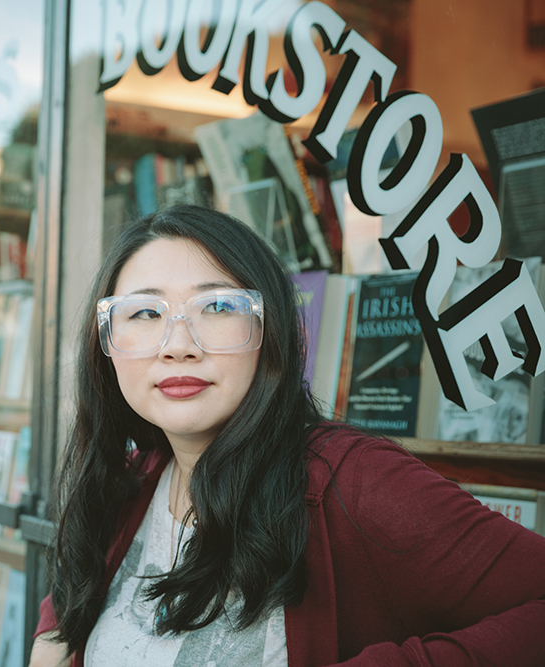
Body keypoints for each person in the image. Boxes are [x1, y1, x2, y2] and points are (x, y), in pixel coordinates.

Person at [30, 205, 545, 667]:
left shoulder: (351, 479)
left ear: (269, 332)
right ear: (107, 347)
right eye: (144, 313)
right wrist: (54, 635)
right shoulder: (136, 477)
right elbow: (71, 597)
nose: (178, 345)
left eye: (218, 307)